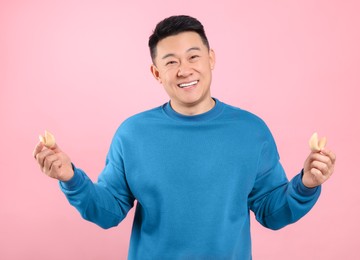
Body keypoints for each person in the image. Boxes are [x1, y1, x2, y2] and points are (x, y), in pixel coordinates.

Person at [33, 15, 336, 259]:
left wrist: (306, 184)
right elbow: (108, 211)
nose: (184, 70)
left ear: (211, 59)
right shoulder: (132, 133)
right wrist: (70, 178)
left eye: (193, 56)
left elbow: (273, 213)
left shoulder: (251, 131)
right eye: (171, 62)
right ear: (156, 73)